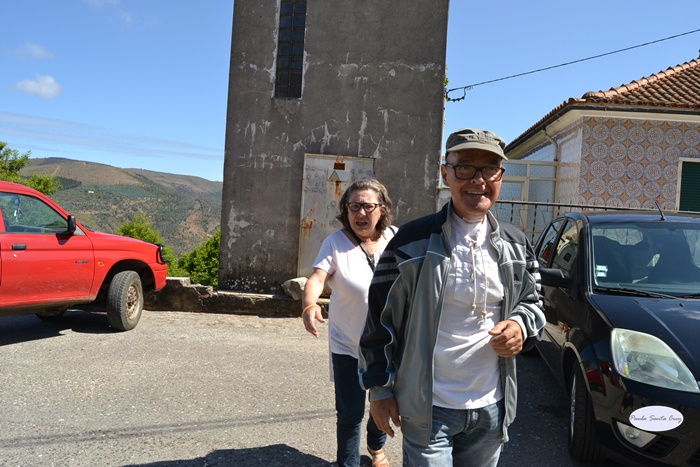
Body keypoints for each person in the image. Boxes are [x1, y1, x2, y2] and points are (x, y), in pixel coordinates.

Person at [358, 128, 546, 466]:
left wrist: (520, 325)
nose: (479, 179)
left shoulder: (517, 244)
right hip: (428, 408)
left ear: (501, 176)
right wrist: (380, 389)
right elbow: (379, 321)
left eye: (490, 169)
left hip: (491, 407)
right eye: (465, 167)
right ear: (445, 174)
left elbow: (534, 302)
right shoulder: (411, 242)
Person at [302, 179, 396, 467]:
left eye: (368, 206)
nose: (360, 213)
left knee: (384, 405)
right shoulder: (335, 243)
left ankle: (376, 447)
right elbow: (317, 278)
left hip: (389, 346)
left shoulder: (396, 238)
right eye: (354, 207)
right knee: (349, 414)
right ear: (345, 210)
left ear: (382, 209)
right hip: (348, 346)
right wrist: (309, 304)